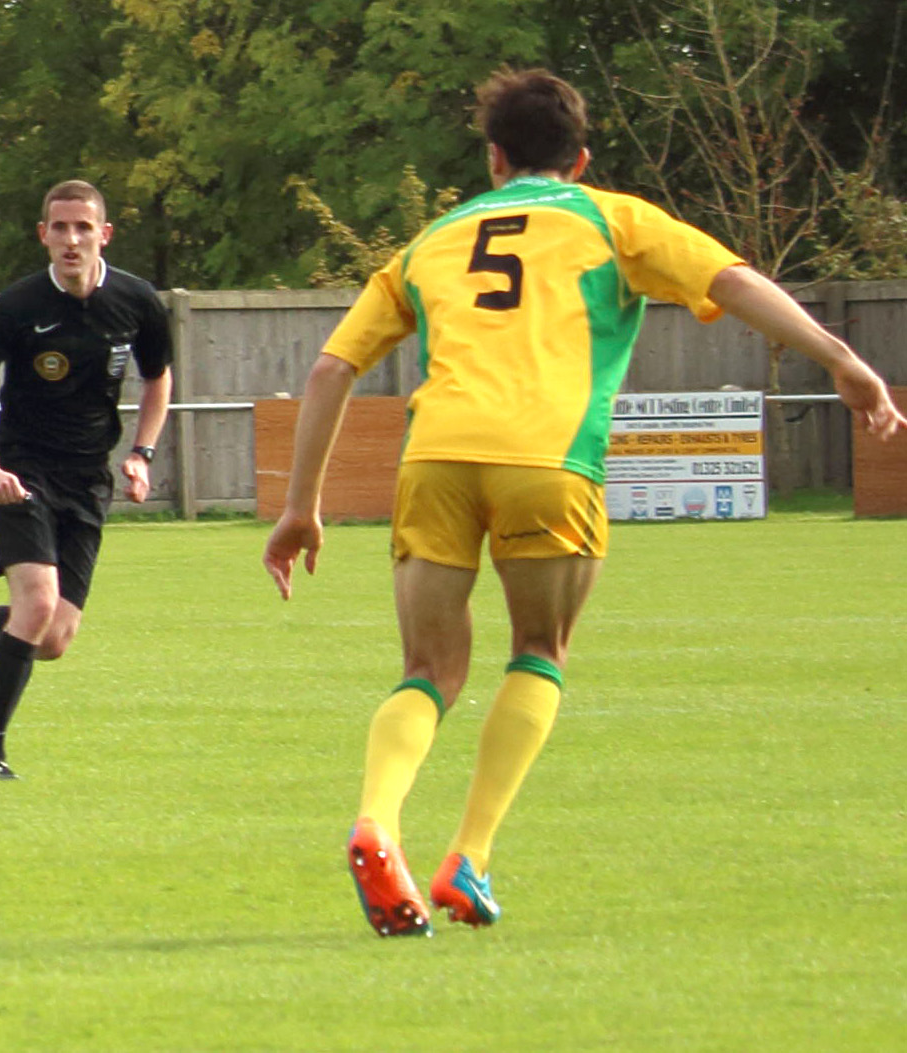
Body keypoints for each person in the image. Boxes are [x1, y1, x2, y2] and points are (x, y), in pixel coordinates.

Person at [262, 70, 903, 937]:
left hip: (438, 460)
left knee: (428, 672)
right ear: (582, 156)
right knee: (538, 648)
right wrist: (841, 359)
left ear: (493, 159)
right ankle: (470, 857)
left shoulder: (432, 240)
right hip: (548, 462)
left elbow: (331, 367)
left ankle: (377, 816)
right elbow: (733, 282)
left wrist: (301, 505)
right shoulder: (615, 218)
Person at [0, 179, 174, 782]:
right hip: (22, 474)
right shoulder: (18, 307)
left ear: (104, 234)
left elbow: (158, 379)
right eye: (61, 228)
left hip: (88, 480)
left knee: (53, 639)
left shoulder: (137, 301)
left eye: (84, 228)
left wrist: (142, 453)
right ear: (43, 236)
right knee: (37, 606)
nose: (72, 240)